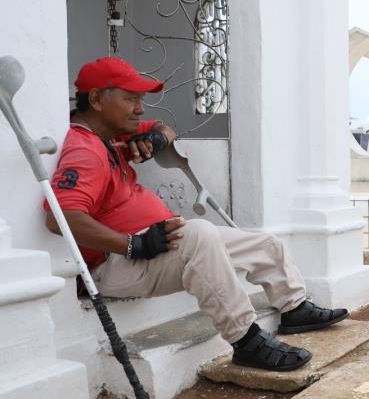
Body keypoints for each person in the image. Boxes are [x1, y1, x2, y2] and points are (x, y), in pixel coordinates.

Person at [45, 57, 347, 372]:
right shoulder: (85, 149)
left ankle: (294, 309)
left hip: (160, 244)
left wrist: (156, 138)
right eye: (131, 99)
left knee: (265, 244)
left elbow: (165, 129)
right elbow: (60, 217)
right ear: (96, 99)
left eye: (141, 100)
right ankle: (246, 341)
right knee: (200, 233)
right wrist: (132, 244)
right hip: (115, 265)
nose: (140, 109)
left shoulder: (112, 134)